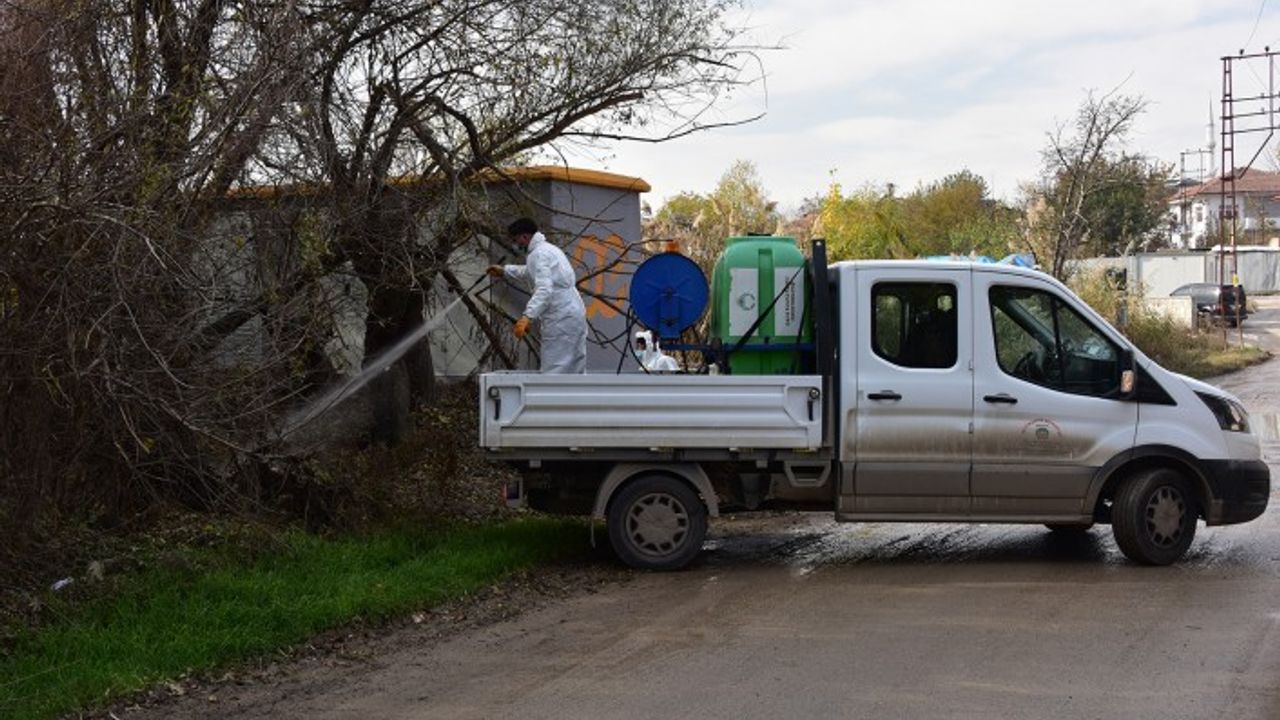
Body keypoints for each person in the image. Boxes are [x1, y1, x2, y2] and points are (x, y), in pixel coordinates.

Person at [487, 218, 587, 374]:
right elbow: (530, 272)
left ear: (525, 237)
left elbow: (544, 289)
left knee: (555, 368)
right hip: (571, 312)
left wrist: (528, 316)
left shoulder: (539, 254)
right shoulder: (548, 250)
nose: (515, 244)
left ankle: (551, 399)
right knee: (574, 367)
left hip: (560, 317)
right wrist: (505, 270)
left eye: (515, 240)